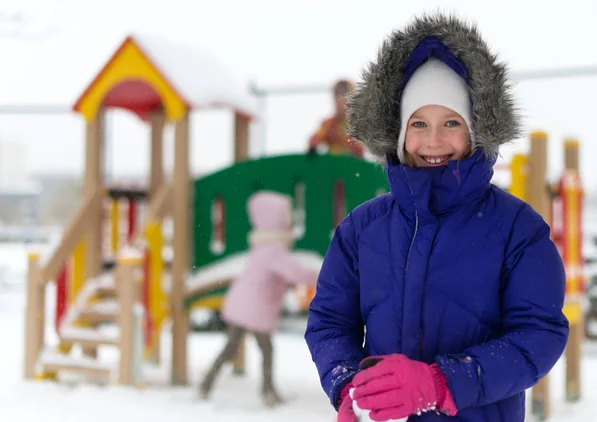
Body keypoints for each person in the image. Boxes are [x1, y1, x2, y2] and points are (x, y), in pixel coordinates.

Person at [304, 12, 569, 422]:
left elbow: (538, 334)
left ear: (475, 130)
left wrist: (442, 382)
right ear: (399, 133)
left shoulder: (518, 229)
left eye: (451, 123)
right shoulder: (362, 228)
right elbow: (329, 320)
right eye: (419, 123)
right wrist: (346, 385)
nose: (433, 141)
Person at [200, 191, 319, 407]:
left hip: (243, 304)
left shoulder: (264, 246)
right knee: (265, 349)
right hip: (253, 308)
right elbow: (295, 273)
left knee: (231, 348)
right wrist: (319, 276)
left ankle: (207, 384)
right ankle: (268, 392)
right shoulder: (273, 250)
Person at [307, 79, 365, 158]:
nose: (341, 100)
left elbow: (360, 150)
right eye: (337, 95)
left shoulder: (357, 125)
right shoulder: (328, 124)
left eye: (345, 95)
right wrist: (313, 146)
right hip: (333, 166)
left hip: (351, 165)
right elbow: (315, 139)